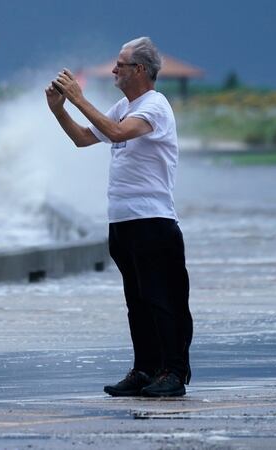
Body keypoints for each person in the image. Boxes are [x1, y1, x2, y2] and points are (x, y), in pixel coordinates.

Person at [45, 37, 192, 397]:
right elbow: (83, 138)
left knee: (163, 300)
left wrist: (79, 98)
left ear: (140, 70)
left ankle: (172, 373)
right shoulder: (123, 106)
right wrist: (60, 110)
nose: (113, 70)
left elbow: (116, 133)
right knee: (137, 303)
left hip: (153, 220)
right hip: (122, 221)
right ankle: (144, 370)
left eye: (120, 64)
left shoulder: (154, 106)